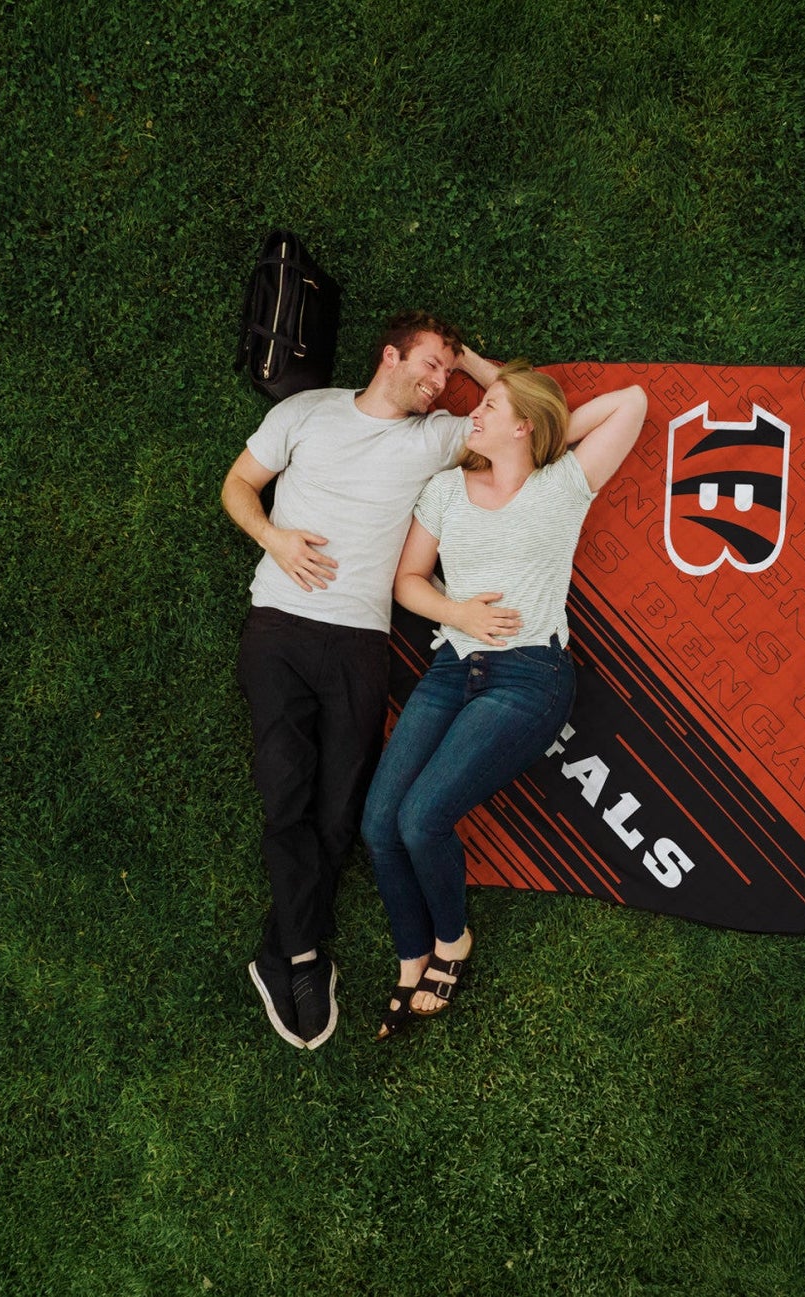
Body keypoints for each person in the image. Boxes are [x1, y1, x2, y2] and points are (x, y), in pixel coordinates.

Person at [221, 311, 501, 1051]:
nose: (441, 384)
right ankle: (302, 959)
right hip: (279, 627)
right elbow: (239, 484)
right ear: (389, 356)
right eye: (432, 364)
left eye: (449, 372)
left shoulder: (436, 437)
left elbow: (531, 411)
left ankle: (281, 951)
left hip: (360, 643)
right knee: (286, 792)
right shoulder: (306, 412)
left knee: (340, 810)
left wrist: (472, 360)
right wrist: (273, 536)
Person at [360, 362, 647, 1041]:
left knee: (421, 818)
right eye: (479, 403)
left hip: (529, 678)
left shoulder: (562, 484)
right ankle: (411, 954)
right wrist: (458, 611)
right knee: (378, 824)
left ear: (524, 426)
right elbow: (408, 580)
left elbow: (632, 402)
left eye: (490, 406)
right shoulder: (445, 490)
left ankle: (451, 941)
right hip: (452, 669)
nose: (475, 412)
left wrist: (534, 424)